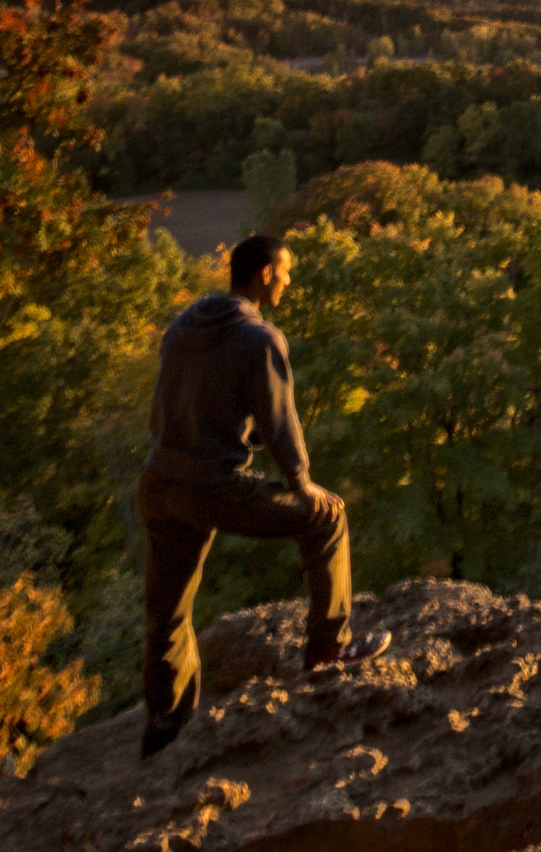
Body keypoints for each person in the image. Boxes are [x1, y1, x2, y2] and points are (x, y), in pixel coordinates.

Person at [136, 233, 389, 759]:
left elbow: (169, 407)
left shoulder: (184, 326)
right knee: (327, 519)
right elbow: (280, 426)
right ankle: (329, 649)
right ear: (265, 275)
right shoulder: (261, 340)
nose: (291, 280)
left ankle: (165, 721)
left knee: (168, 609)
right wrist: (302, 485)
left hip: (159, 480)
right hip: (210, 486)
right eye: (287, 270)